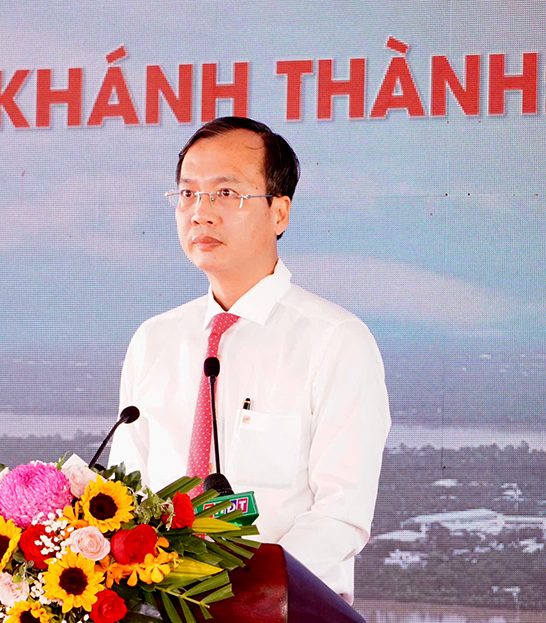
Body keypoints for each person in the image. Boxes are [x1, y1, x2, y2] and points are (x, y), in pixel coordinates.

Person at [109, 117, 390, 603]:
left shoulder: (335, 340)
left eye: (226, 193)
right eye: (188, 194)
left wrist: (239, 595)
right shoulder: (154, 340)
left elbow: (340, 514)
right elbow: (122, 496)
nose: (201, 213)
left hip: (285, 611)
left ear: (279, 213)